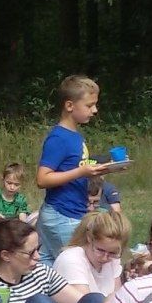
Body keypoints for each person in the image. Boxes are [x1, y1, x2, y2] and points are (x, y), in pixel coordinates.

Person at [35, 75, 117, 261]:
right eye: (89, 105)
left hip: (70, 211)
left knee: (49, 266)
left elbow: (75, 169)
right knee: (75, 265)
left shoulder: (75, 136)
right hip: (62, 214)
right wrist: (81, 172)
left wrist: (101, 169)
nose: (95, 110)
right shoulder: (59, 138)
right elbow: (42, 179)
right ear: (70, 105)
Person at [52, 208, 130, 303]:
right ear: (89, 238)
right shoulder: (71, 259)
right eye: (100, 250)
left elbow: (118, 298)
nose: (105, 258)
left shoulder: (113, 259)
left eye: (112, 253)